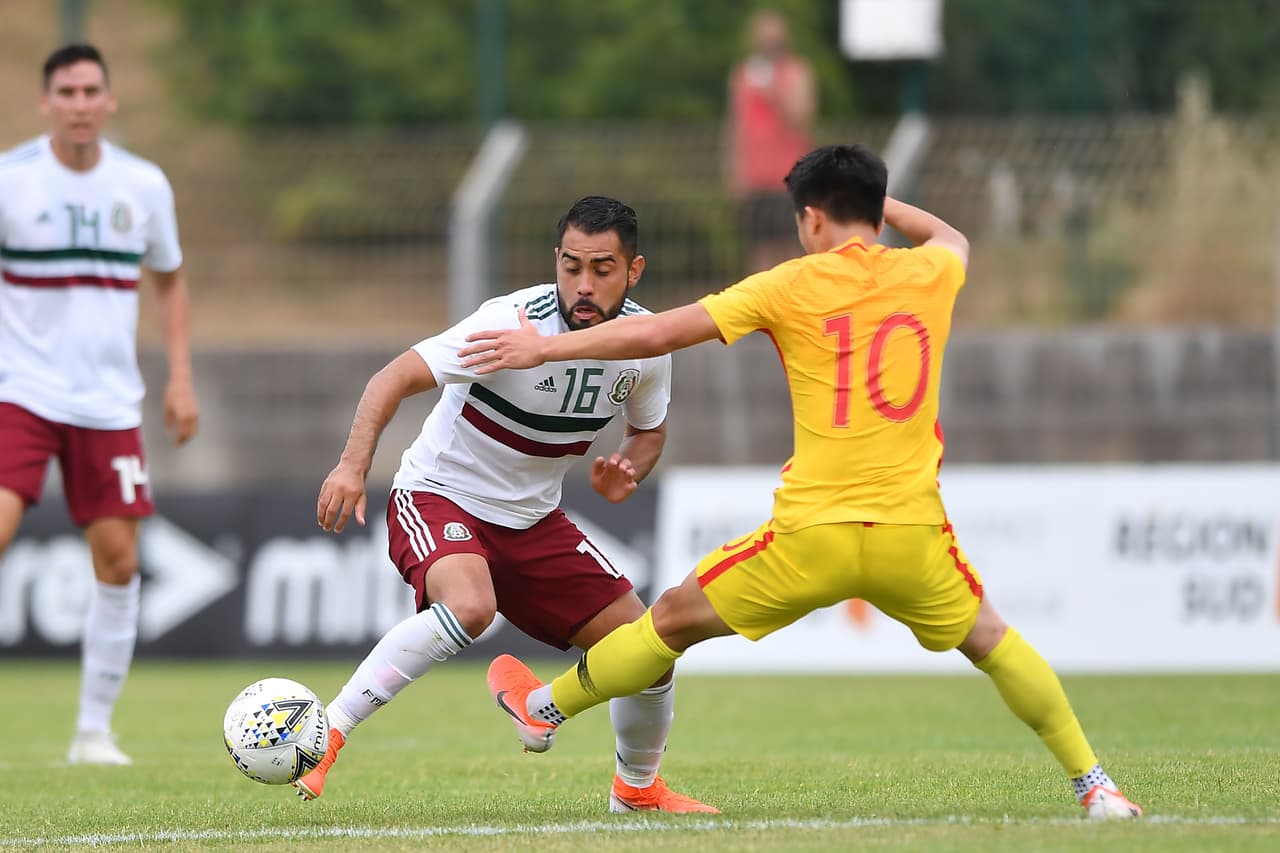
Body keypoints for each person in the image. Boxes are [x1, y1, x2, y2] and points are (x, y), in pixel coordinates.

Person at [461, 145, 1143, 820]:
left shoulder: (788, 283)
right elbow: (951, 235)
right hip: (913, 534)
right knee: (995, 643)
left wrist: (545, 346)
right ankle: (1096, 786)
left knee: (667, 619)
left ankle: (543, 708)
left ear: (812, 218)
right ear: (873, 213)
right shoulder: (930, 271)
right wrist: (877, 206)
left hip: (811, 538)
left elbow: (658, 333)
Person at [298, 196, 716, 814]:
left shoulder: (646, 345)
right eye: (570, 265)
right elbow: (392, 379)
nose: (582, 283)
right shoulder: (508, 322)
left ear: (634, 271)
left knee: (648, 650)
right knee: (470, 607)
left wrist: (629, 467)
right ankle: (326, 735)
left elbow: (648, 430)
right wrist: (352, 465)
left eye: (602, 269)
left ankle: (637, 790)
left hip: (533, 521)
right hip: (441, 496)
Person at [0, 44, 198, 766]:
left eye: (91, 90)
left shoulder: (142, 185)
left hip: (109, 403)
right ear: (45, 101)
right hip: (17, 390)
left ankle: (92, 732)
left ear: (109, 102)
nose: (80, 102)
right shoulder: (10, 181)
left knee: (117, 560)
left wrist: (179, 377)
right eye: (66, 91)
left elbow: (170, 280)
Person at [725, 8, 816, 274]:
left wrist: (773, 93)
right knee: (758, 248)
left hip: (788, 176)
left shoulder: (797, 72)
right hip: (755, 179)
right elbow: (735, 126)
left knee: (789, 247)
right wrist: (734, 171)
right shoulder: (742, 74)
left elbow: (802, 119)